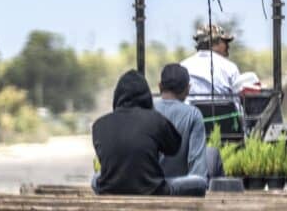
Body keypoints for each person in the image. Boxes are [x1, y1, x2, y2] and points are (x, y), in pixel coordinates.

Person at [91, 69, 181, 195]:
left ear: (117, 96)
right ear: (147, 96)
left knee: (94, 179)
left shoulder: (98, 125)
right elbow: (174, 147)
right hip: (152, 192)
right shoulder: (155, 119)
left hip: (109, 192)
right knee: (198, 182)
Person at [154, 64, 224, 195]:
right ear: (188, 89)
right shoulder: (193, 115)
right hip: (180, 194)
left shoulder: (147, 110)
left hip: (149, 192)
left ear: (159, 86)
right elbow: (198, 173)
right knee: (212, 154)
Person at [181, 24, 241, 96]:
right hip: (222, 107)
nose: (228, 46)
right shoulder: (230, 68)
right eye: (225, 42)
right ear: (215, 43)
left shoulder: (183, 66)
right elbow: (238, 100)